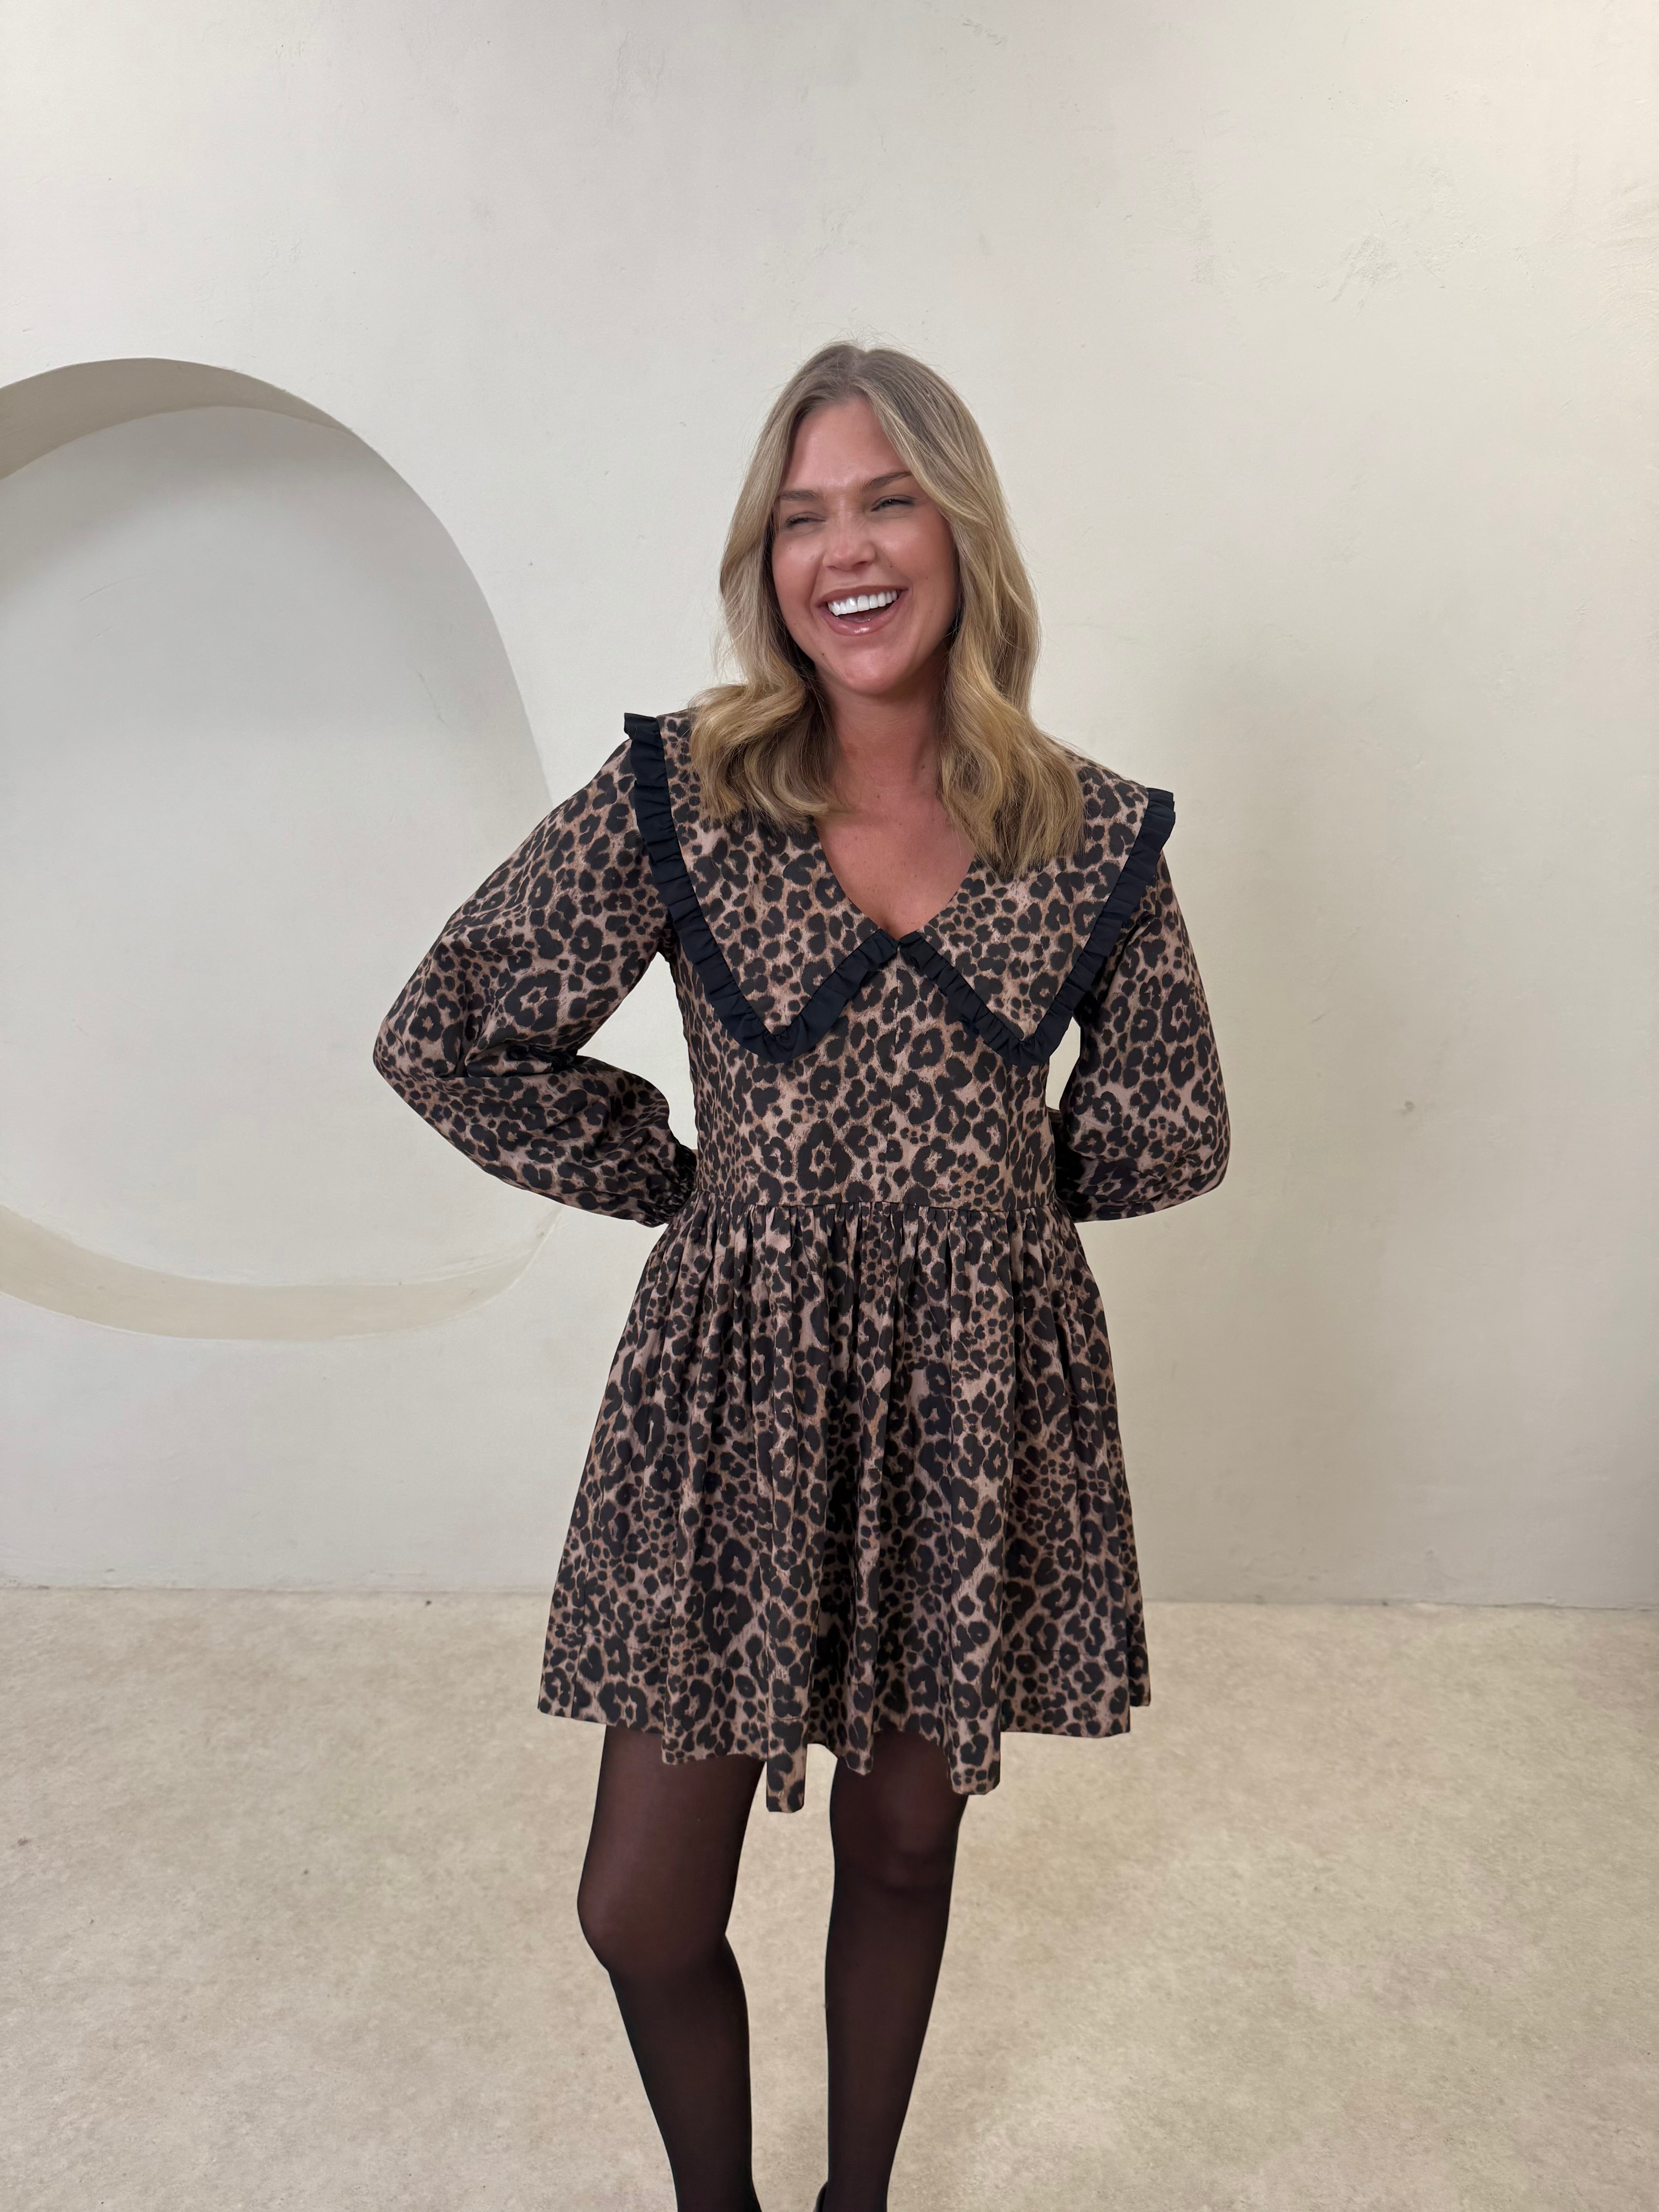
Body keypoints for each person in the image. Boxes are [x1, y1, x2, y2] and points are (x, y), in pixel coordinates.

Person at [373, 342, 1230, 2212]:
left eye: (887, 502)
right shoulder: (683, 794)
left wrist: (987, 1220)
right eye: (802, 517)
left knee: (906, 1840)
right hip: (734, 1400)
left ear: (962, 529)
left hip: (971, 1410)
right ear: (766, 562)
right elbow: (445, 1031)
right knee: (641, 1907)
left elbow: (1174, 1127)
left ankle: (858, 2204)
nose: (845, 551)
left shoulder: (1088, 829)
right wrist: (683, 1186)